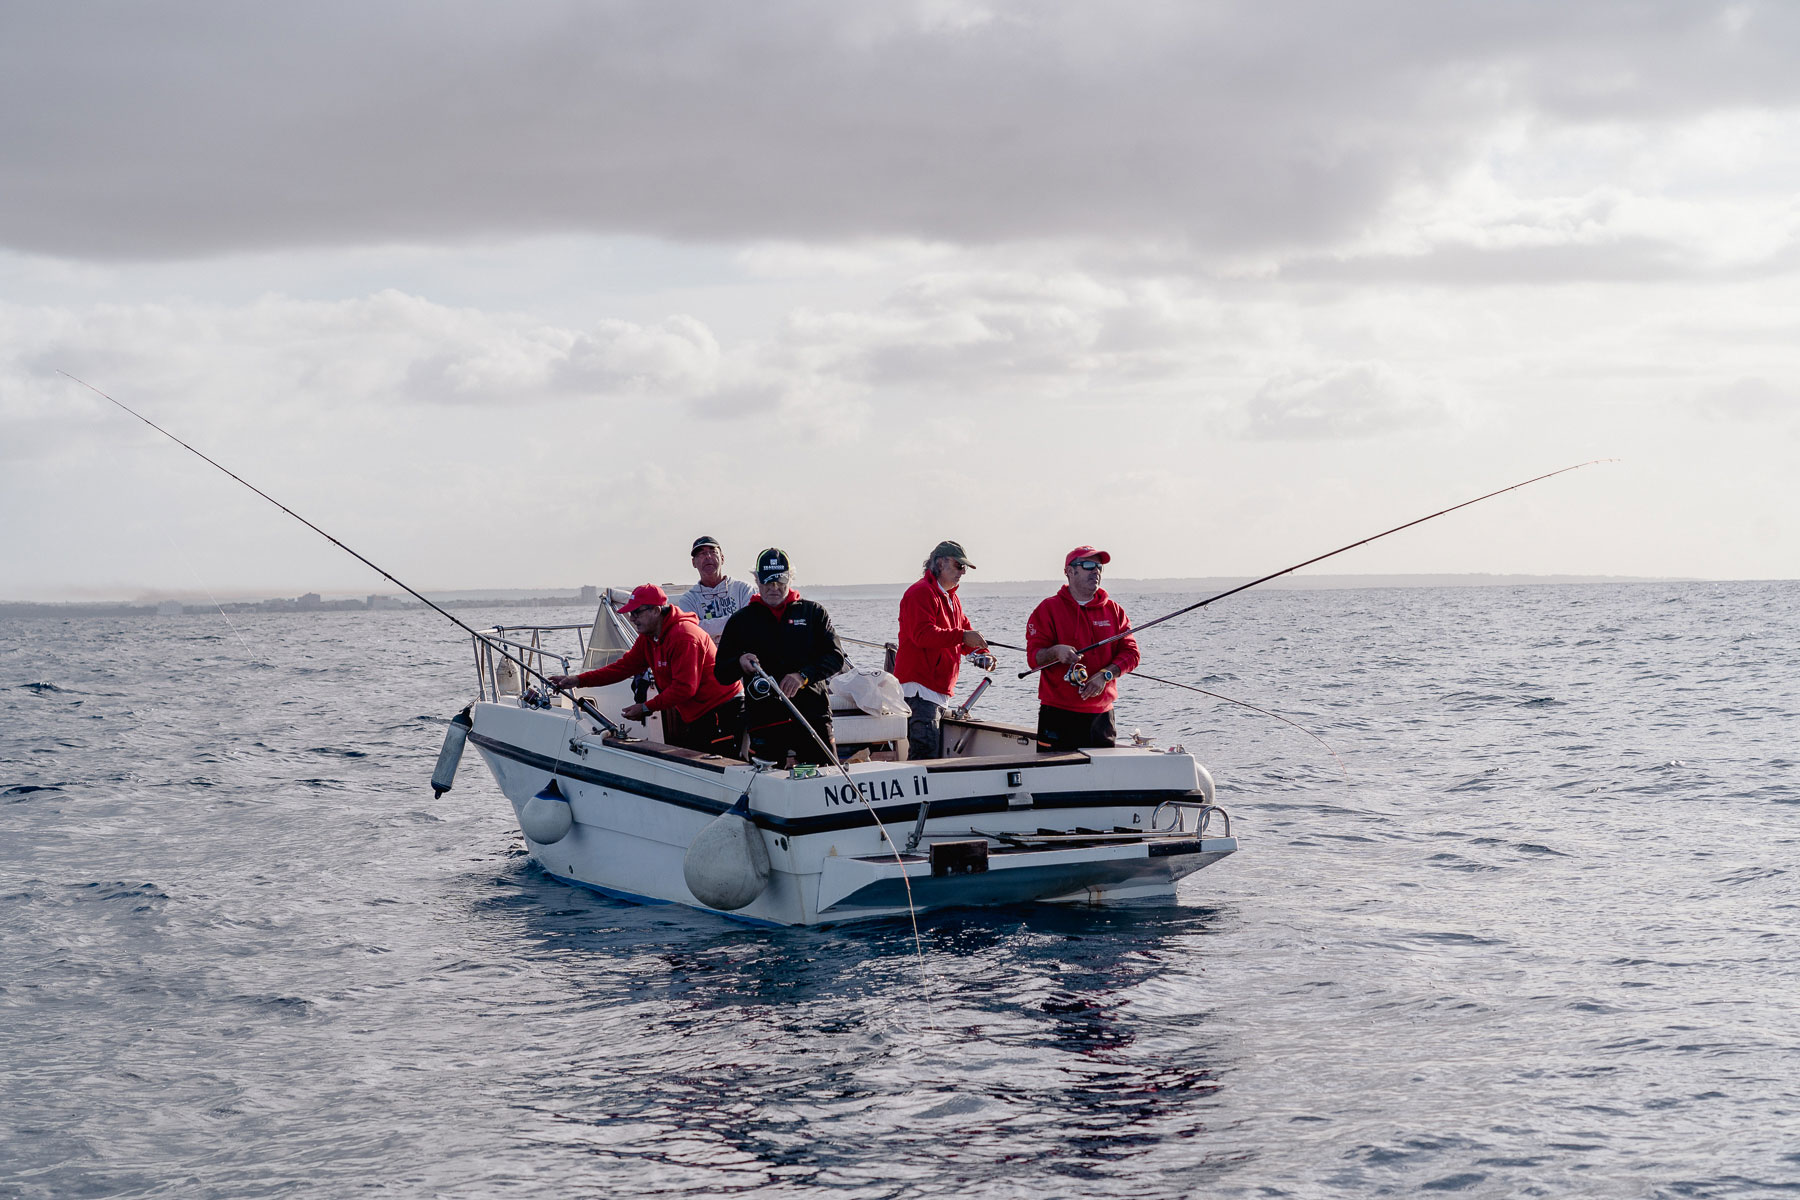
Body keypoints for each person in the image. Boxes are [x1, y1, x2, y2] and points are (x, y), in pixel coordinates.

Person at [547, 584, 745, 756]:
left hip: (722, 711)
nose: (632, 618)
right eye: (630, 613)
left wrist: (645, 707)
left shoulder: (684, 636)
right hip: (698, 715)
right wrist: (578, 680)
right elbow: (622, 668)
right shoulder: (648, 638)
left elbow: (685, 688)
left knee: (718, 770)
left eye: (637, 612)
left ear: (656, 611)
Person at [714, 548, 846, 767]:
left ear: (790, 579)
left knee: (824, 773)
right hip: (764, 718)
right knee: (765, 778)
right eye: (767, 583)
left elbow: (835, 657)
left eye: (780, 582)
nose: (773, 588)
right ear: (757, 580)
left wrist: (803, 676)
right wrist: (740, 663)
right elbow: (721, 672)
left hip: (811, 714)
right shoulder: (741, 621)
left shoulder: (813, 613)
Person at [1024, 546, 1139, 752]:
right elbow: (1034, 658)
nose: (1095, 571)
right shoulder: (1047, 609)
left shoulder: (1114, 610)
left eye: (1099, 567)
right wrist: (1056, 652)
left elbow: (1131, 654)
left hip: (1102, 718)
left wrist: (1105, 675)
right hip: (1058, 714)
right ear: (1069, 571)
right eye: (1088, 565)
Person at [893, 539, 994, 759]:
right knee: (924, 754)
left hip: (936, 692)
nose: (963, 572)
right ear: (940, 563)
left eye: (964, 567)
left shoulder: (951, 598)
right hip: (920, 690)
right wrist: (963, 636)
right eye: (959, 565)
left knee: (928, 752)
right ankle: (919, 795)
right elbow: (922, 635)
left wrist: (981, 654)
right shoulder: (920, 593)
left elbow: (963, 633)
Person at [674, 536, 756, 640]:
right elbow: (690, 631)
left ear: (722, 558)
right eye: (701, 553)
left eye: (713, 552)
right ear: (693, 563)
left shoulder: (744, 590)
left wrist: (704, 626)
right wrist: (736, 621)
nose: (708, 556)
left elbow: (750, 622)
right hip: (707, 656)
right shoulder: (688, 600)